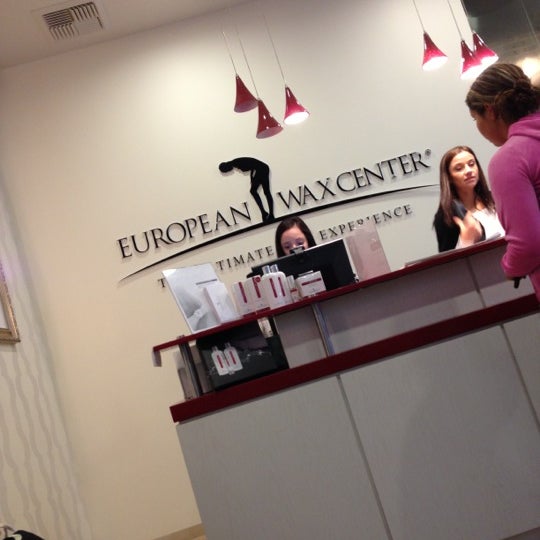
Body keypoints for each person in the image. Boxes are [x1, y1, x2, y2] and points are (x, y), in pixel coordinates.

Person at [465, 63, 540, 299]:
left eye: (475, 119)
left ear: (490, 111)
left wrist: (511, 267)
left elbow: (528, 244)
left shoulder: (509, 160)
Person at [433, 145, 504, 252]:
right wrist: (466, 242)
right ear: (449, 178)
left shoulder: (496, 198)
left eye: (471, 164)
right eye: (459, 168)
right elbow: (448, 260)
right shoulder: (446, 216)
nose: (468, 171)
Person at [218, 157, 275, 223]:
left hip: (262, 169)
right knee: (257, 191)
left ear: (226, 168)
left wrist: (252, 178)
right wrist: (252, 178)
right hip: (261, 169)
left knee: (262, 191)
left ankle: (268, 213)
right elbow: (252, 166)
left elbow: (252, 165)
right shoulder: (235, 163)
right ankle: (265, 213)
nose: (229, 171)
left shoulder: (237, 163)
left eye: (227, 171)